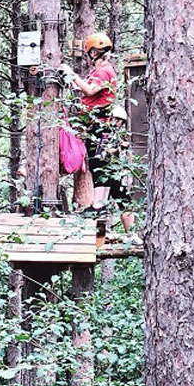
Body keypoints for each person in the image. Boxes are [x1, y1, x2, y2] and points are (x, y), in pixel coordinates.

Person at [60, 32, 135, 235]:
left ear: (93, 52)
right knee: (115, 183)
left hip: (101, 128)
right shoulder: (98, 71)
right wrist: (70, 80)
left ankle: (98, 207)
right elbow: (86, 91)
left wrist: (72, 74)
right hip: (97, 127)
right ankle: (132, 233)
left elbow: (90, 91)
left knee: (100, 166)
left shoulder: (104, 71)